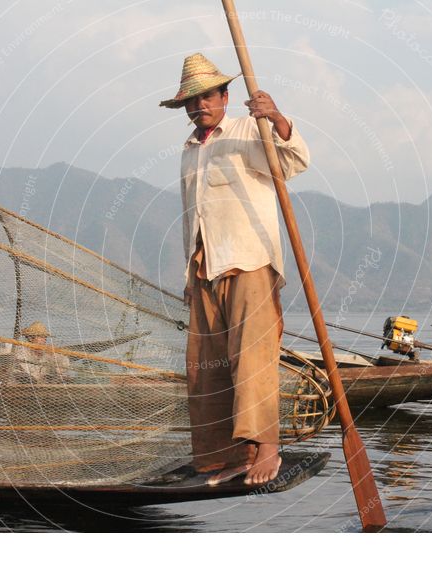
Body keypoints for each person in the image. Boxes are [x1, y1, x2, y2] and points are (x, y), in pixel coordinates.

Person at [160, 53, 310, 486]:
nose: (199, 105)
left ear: (225, 96)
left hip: (248, 261)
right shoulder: (190, 150)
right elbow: (193, 217)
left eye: (207, 96)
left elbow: (292, 162)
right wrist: (191, 272)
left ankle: (267, 447)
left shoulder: (249, 129)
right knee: (205, 365)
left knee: (252, 358)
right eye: (191, 100)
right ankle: (222, 456)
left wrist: (277, 118)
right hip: (206, 268)